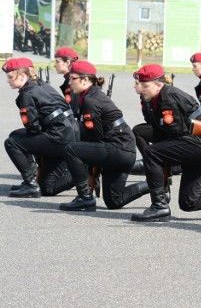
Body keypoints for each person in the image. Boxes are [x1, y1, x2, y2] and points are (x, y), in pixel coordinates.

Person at [129, 64, 201, 222]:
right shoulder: (158, 97)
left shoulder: (168, 98)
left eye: (145, 86)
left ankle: (159, 206)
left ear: (159, 85)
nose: (142, 89)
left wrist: (159, 166)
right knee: (189, 202)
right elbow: (163, 132)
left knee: (151, 153)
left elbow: (175, 133)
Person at [59, 61, 149, 211]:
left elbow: (94, 137)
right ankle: (156, 184)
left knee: (71, 149)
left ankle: (85, 197)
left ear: (86, 80)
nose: (69, 82)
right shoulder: (91, 95)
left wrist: (88, 163)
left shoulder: (90, 100)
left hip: (118, 150)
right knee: (114, 201)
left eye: (73, 78)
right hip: (123, 150)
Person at [3, 57, 78, 198]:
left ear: (23, 76)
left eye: (11, 77)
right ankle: (80, 174)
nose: (8, 81)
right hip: (66, 134)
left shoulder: (27, 94)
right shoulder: (40, 85)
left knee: (12, 142)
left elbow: (33, 128)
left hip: (58, 138)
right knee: (47, 188)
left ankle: (30, 183)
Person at [53, 47, 80, 116]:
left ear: (67, 63)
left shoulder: (72, 81)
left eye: (57, 62)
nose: (54, 65)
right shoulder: (74, 78)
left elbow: (74, 111)